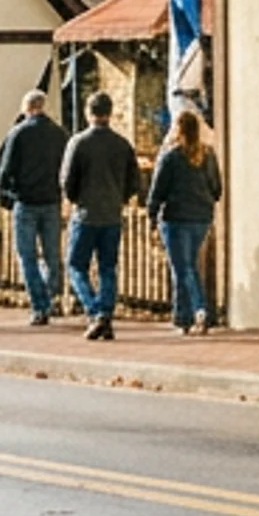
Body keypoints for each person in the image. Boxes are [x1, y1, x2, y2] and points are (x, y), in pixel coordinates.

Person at [61, 93, 139, 342]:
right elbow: (134, 180)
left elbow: (67, 179)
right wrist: (122, 197)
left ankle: (94, 310)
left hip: (85, 213)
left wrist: (74, 198)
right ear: (110, 112)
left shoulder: (79, 143)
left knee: (76, 266)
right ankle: (105, 311)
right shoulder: (122, 144)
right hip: (112, 214)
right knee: (108, 267)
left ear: (88, 112)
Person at [0, 90, 70, 325]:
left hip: (26, 201)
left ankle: (39, 305)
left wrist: (7, 197)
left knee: (27, 256)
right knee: (52, 254)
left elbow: (4, 171)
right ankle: (53, 297)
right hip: (51, 201)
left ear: (25, 108)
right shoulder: (60, 135)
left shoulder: (17, 134)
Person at [149, 108, 223, 334]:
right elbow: (217, 189)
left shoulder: (171, 157)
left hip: (176, 217)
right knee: (185, 266)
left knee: (183, 267)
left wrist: (152, 215)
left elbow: (158, 190)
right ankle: (182, 318)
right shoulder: (208, 155)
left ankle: (199, 309)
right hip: (201, 218)